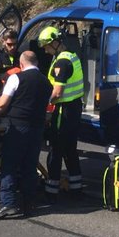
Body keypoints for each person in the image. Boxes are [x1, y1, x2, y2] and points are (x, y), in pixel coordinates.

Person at [0, 51, 53, 219]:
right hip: (37, 128)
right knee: (29, 166)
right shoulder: (46, 83)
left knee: (10, 164)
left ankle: (8, 203)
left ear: (21, 64)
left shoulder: (16, 78)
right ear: (37, 63)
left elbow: (3, 104)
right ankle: (29, 203)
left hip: (18, 126)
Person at [38, 26, 85, 202]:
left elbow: (57, 92)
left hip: (63, 110)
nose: (45, 49)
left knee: (56, 150)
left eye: (47, 46)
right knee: (70, 149)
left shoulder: (61, 63)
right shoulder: (72, 56)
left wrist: (42, 104)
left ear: (55, 43)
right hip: (74, 109)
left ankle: (51, 190)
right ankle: (76, 187)